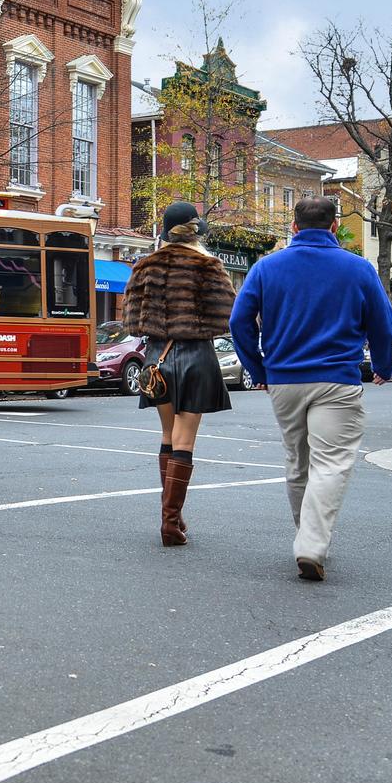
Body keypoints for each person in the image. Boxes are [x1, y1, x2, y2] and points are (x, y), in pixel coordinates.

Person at [228, 195, 392, 582]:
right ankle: (311, 543)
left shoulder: (266, 267)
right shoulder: (358, 268)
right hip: (337, 379)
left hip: (285, 379)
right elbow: (382, 323)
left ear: (294, 226)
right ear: (335, 226)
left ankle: (306, 535)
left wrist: (258, 368)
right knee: (331, 463)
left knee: (297, 463)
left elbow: (240, 321)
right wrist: (384, 365)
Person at [119, 201, 239, 547]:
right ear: (195, 231)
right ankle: (169, 522)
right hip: (196, 357)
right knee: (186, 442)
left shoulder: (144, 266)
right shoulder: (208, 265)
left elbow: (131, 321)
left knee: (168, 436)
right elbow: (227, 316)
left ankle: (172, 516)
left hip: (157, 358)